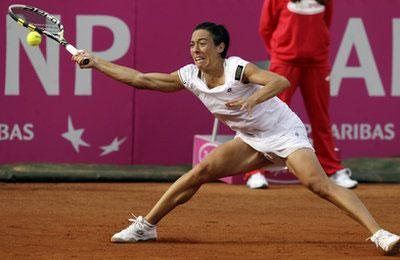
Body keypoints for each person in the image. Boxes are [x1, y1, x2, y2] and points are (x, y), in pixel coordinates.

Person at [72, 22, 399, 255]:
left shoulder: (237, 69)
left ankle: (380, 234)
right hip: (251, 138)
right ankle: (146, 226)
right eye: (191, 43)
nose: (195, 49)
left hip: (284, 133)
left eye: (202, 42)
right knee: (198, 173)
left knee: (318, 184)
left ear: (219, 47)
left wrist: (252, 99)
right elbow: (141, 79)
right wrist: (97, 62)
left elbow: (279, 81)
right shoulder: (189, 76)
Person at [246, 0, 358, 189]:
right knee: (269, 117)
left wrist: (313, 49)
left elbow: (325, 24)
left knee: (321, 119)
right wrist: (281, 54)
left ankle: (331, 169)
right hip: (284, 63)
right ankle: (255, 171)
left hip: (317, 64)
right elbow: (266, 28)